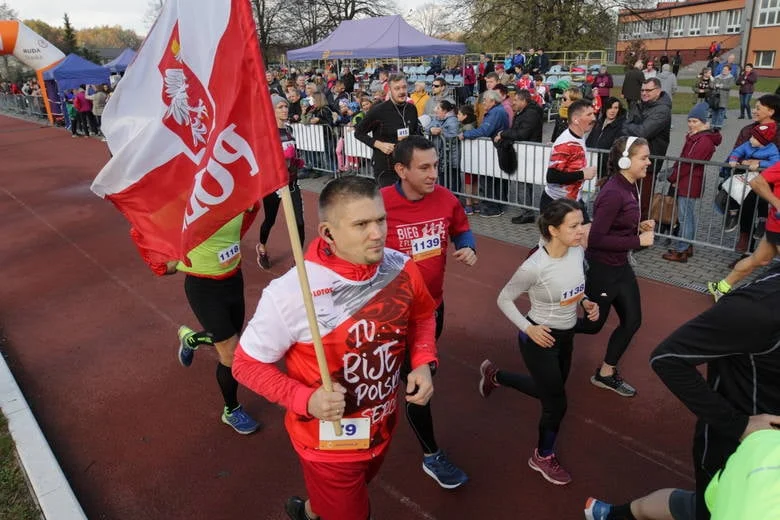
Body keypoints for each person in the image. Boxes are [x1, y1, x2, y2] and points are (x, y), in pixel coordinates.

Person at [232, 176, 438, 520]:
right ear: (328, 233)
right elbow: (244, 364)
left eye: (381, 220)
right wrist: (305, 399)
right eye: (361, 224)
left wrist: (422, 360)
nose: (378, 233)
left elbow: (423, 315)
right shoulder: (291, 292)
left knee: (341, 498)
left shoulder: (400, 266)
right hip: (326, 444)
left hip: (382, 428)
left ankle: (309, 511)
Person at [587, 265, 780, 520]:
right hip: (742, 448)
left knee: (699, 505)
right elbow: (667, 359)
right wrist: (738, 424)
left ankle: (612, 514)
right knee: (706, 507)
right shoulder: (758, 309)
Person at [479, 199, 600, 486]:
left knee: (548, 391)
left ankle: (495, 376)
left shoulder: (576, 250)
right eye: (574, 226)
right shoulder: (534, 266)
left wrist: (585, 301)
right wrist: (528, 328)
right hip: (539, 339)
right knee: (556, 403)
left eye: (582, 223)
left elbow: (572, 286)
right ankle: (542, 456)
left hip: (567, 336)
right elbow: (504, 299)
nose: (581, 230)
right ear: (554, 230)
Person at [381, 136, 476, 489]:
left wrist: (468, 247)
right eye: (424, 167)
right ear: (401, 170)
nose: (434, 173)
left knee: (417, 376)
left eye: (435, 165)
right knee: (417, 384)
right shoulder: (379, 204)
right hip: (391, 316)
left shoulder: (447, 199)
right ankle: (431, 454)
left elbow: (462, 230)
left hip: (432, 309)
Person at [575, 136, 656, 397]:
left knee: (632, 321)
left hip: (621, 267)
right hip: (603, 269)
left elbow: (617, 225)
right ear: (625, 161)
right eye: (643, 158)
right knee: (592, 326)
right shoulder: (613, 193)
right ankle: (545, 326)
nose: (649, 162)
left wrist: (638, 226)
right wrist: (638, 240)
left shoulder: (630, 186)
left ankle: (605, 373)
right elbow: (596, 239)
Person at [172, 208, 261, 436]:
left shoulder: (234, 197)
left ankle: (191, 339)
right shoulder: (187, 207)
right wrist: (173, 257)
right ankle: (231, 410)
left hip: (233, 279)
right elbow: (165, 263)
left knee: (231, 338)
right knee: (231, 354)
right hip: (203, 288)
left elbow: (251, 208)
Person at [707, 131, 780, 301]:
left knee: (758, 260)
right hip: (778, 225)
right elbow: (757, 182)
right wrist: (777, 203)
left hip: (774, 224)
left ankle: (721, 287)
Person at [662, 103, 722, 263]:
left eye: (695, 121)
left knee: (685, 217)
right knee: (686, 216)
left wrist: (673, 177)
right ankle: (687, 246)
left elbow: (689, 163)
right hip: (687, 180)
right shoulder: (696, 138)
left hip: (689, 181)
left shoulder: (703, 140)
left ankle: (682, 250)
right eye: (689, 121)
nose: (691, 124)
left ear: (705, 123)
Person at [721, 94, 780, 255]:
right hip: (745, 175)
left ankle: (757, 241)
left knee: (759, 203)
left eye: (758, 108)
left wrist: (759, 163)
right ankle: (745, 236)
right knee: (744, 201)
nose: (754, 111)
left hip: (770, 179)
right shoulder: (748, 130)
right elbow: (737, 151)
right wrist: (739, 161)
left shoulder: (778, 132)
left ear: (771, 111)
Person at [255, 95, 306, 270]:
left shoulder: (289, 129)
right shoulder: (267, 132)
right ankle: (262, 246)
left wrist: (296, 161)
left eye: (285, 106)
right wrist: (282, 158)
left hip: (292, 183)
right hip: (275, 185)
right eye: (280, 107)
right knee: (270, 220)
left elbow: (293, 153)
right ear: (272, 110)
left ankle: (298, 261)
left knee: (299, 223)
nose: (285, 110)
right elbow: (262, 159)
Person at [355, 74, 421, 187]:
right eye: (397, 88)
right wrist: (379, 144)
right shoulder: (378, 110)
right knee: (390, 198)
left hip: (406, 165)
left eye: (404, 87)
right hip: (385, 168)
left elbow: (415, 133)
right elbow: (358, 133)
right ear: (389, 91)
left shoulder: (411, 109)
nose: (402, 91)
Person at [623, 77, 673, 218]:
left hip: (648, 163)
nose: (644, 93)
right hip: (632, 158)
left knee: (642, 201)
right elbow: (628, 124)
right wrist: (629, 126)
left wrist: (627, 127)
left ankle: (641, 229)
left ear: (658, 91)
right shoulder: (641, 104)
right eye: (642, 90)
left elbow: (643, 132)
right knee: (629, 198)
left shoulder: (662, 110)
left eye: (648, 90)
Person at [541, 99, 597, 220]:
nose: (594, 118)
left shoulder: (579, 135)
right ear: (576, 120)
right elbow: (552, 177)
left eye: (593, 114)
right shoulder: (565, 143)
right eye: (589, 114)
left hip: (574, 200)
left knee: (586, 230)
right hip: (557, 205)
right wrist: (582, 174)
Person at [494, 89, 544, 224]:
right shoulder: (523, 112)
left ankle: (527, 212)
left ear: (524, 101)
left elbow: (522, 134)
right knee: (523, 183)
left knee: (523, 183)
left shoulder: (531, 114)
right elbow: (516, 130)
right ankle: (527, 211)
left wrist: (503, 134)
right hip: (523, 152)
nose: (513, 103)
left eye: (516, 100)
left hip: (528, 153)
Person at [459, 89, 510, 217]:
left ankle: (493, 207)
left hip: (494, 149)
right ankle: (497, 205)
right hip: (496, 148)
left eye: (485, 100)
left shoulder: (495, 112)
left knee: (489, 179)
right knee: (494, 179)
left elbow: (484, 131)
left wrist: (465, 134)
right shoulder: (498, 111)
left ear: (492, 101)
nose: (483, 103)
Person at [586, 97, 626, 179]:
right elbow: (589, 141)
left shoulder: (621, 126)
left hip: (606, 168)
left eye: (616, 108)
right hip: (592, 163)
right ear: (605, 108)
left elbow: (617, 147)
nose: (612, 111)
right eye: (610, 107)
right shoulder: (599, 122)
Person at [711, 65, 735, 131]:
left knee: (721, 112)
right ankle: (713, 124)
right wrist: (715, 85)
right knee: (715, 111)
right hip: (715, 97)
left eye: (726, 70)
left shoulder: (731, 78)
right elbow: (712, 85)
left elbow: (730, 86)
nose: (724, 71)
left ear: (729, 71)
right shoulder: (717, 77)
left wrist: (721, 86)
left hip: (723, 97)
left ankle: (718, 125)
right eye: (723, 69)